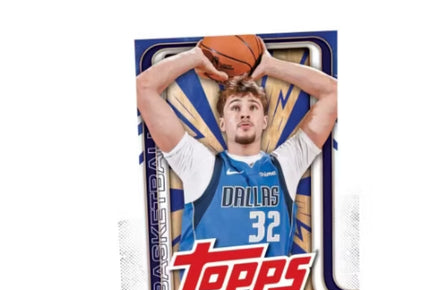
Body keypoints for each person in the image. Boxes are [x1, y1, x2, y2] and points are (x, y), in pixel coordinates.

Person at [136, 36, 337, 255]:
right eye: (235, 107)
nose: (244, 113)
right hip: (209, 279)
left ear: (264, 121)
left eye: (253, 107)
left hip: (271, 279)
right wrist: (196, 56)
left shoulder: (287, 164)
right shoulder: (199, 164)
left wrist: (271, 65)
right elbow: (143, 87)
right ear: (222, 122)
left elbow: (334, 93)